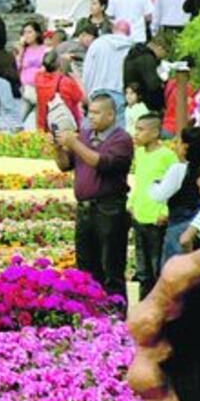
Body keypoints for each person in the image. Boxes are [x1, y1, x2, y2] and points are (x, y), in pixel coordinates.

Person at [53, 93, 135, 303]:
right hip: (85, 210)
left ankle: (116, 317)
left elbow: (101, 162)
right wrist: (58, 147)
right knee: (86, 268)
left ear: (111, 115)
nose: (92, 117)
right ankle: (91, 315)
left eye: (97, 113)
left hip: (109, 209)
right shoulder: (84, 136)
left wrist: (74, 143)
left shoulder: (121, 139)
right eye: (90, 112)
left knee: (111, 268)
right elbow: (65, 165)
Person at [129, 112, 177, 300]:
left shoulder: (167, 156)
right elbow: (140, 181)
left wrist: (164, 211)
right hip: (139, 215)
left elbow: (173, 186)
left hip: (156, 219)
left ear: (155, 132)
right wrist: (131, 203)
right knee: (142, 269)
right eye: (136, 129)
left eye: (141, 130)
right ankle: (143, 304)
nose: (137, 134)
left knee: (157, 267)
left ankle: (160, 304)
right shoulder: (139, 153)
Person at [152, 126, 200, 263]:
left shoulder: (179, 169)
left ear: (185, 147)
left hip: (180, 225)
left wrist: (154, 183)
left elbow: (160, 195)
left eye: (177, 143)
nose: (174, 146)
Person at [82, 21, 135, 126]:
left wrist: (86, 91)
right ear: (129, 33)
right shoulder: (132, 48)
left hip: (97, 91)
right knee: (118, 133)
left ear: (113, 30)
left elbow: (87, 70)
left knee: (93, 128)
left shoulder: (98, 44)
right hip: (120, 93)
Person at [35, 50, 83, 133]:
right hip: (67, 124)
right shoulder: (66, 82)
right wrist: (75, 76)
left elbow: (43, 70)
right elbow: (81, 97)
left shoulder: (38, 78)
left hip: (46, 126)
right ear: (60, 64)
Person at [123, 35, 167, 113]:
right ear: (160, 48)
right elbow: (153, 85)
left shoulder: (131, 56)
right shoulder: (147, 58)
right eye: (164, 54)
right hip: (145, 103)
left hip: (131, 99)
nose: (161, 58)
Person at [14, 20, 46, 120]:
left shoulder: (44, 49)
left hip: (39, 89)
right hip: (25, 89)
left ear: (37, 33)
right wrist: (20, 51)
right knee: (19, 119)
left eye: (29, 32)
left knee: (40, 121)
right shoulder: (22, 50)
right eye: (24, 33)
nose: (26, 35)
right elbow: (16, 67)